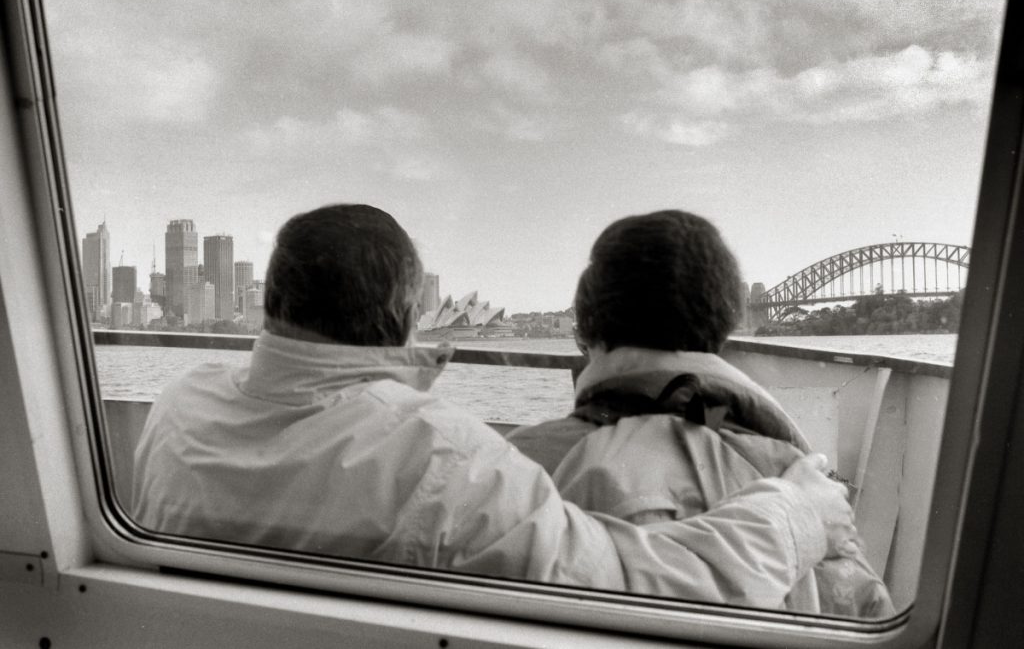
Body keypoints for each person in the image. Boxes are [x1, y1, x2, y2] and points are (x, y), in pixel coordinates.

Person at [132, 203, 854, 607]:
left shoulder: (177, 410)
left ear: (271, 302)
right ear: (407, 314)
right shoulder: (439, 458)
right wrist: (797, 515)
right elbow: (635, 589)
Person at [506, 209, 894, 617]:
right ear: (723, 326)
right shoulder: (800, 481)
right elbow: (867, 611)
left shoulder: (517, 466)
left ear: (586, 332)